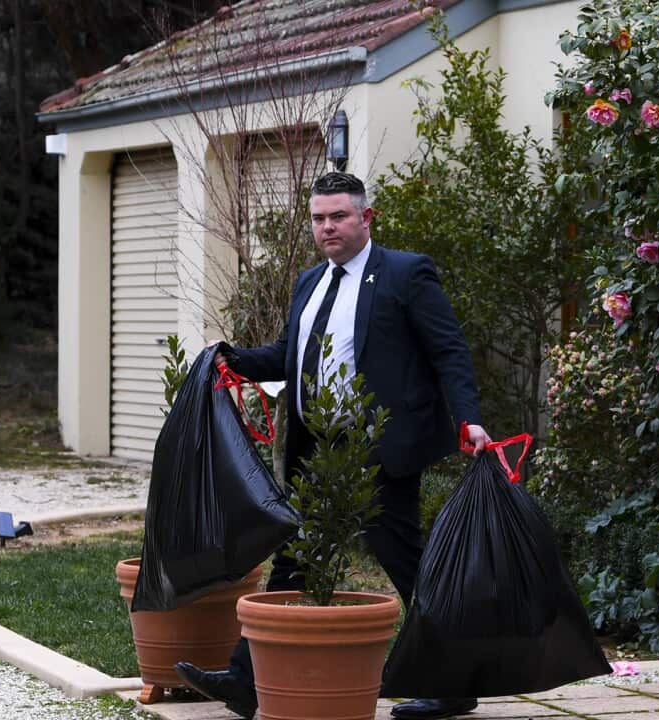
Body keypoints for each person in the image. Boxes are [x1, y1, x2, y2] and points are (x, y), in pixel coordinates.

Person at [175, 171, 491, 720]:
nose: (328, 227)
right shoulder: (308, 283)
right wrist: (231, 356)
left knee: (407, 565)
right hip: (317, 447)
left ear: (365, 218)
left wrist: (470, 421)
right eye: (319, 218)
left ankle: (455, 683)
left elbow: (449, 352)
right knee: (293, 561)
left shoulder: (405, 273)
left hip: (380, 450)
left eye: (339, 216)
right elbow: (288, 355)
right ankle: (247, 681)